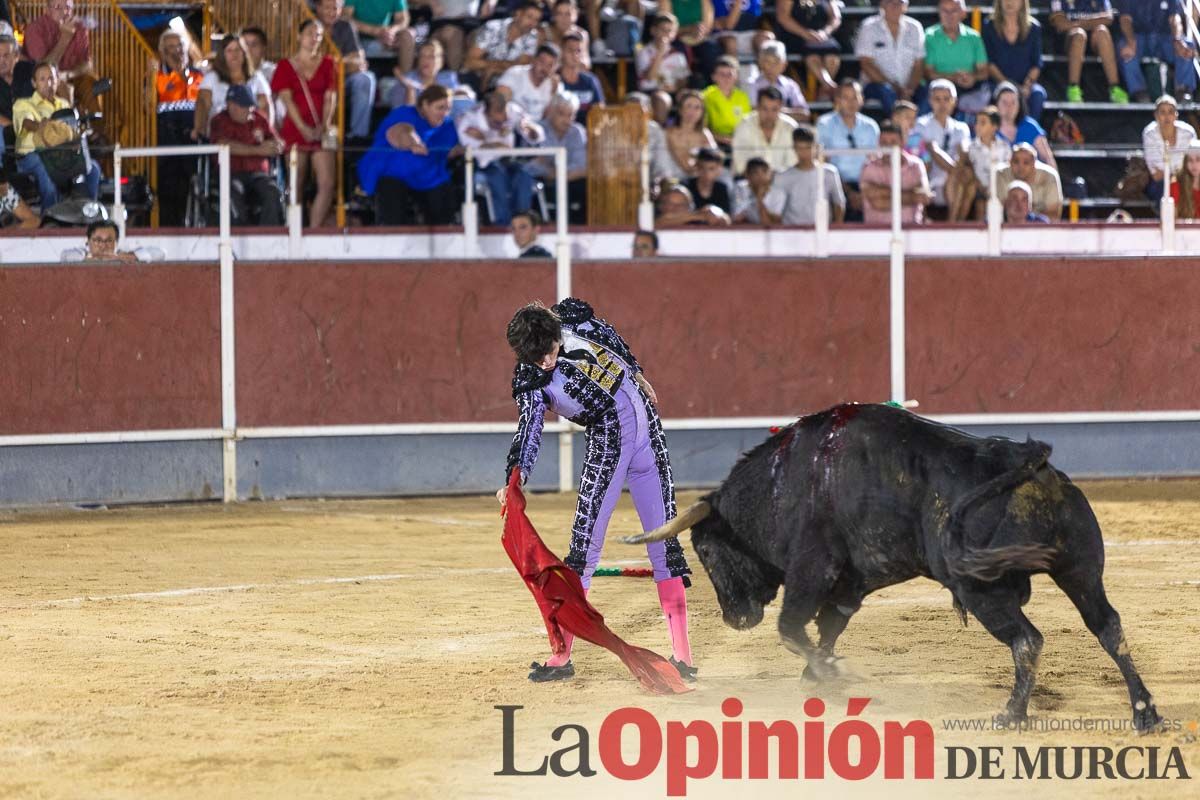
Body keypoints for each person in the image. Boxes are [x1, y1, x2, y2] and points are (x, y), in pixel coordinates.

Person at [500, 299, 696, 683]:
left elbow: (609, 334)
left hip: (644, 431)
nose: (546, 363)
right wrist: (515, 478)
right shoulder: (531, 380)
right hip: (611, 439)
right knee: (584, 548)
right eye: (537, 358)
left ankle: (683, 658)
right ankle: (562, 656)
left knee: (663, 542)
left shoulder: (571, 321)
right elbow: (529, 429)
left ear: (555, 334)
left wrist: (636, 372)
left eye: (549, 351)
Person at [358, 84, 461, 224]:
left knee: (443, 191)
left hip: (427, 175)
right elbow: (401, 131)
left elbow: (447, 151)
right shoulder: (404, 113)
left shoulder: (447, 125)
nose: (444, 113)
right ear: (425, 105)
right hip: (391, 172)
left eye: (448, 109)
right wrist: (413, 143)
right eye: (440, 108)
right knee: (391, 191)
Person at [272, 19, 338, 228]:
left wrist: (324, 125)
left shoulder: (328, 63)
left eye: (318, 34)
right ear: (299, 36)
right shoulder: (285, 65)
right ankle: (294, 228)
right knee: (296, 181)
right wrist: (303, 128)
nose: (314, 38)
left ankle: (314, 229)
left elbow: (330, 96)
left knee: (327, 183)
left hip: (322, 127)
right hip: (295, 127)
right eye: (310, 33)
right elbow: (286, 99)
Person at [12, 62, 100, 210]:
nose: (48, 84)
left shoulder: (63, 104)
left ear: (57, 81)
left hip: (63, 154)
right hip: (32, 155)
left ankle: (86, 212)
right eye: (42, 79)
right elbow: (27, 123)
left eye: (51, 79)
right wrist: (44, 127)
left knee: (93, 169)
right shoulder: (23, 104)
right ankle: (49, 217)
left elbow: (73, 130)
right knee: (48, 175)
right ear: (34, 83)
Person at [457, 90, 544, 225]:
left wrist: (531, 131)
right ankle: (502, 224)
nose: (503, 117)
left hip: (510, 161)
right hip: (485, 164)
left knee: (524, 176)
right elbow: (468, 148)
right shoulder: (469, 119)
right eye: (498, 111)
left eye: (504, 110)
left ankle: (522, 221)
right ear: (486, 111)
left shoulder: (513, 112)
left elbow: (535, 135)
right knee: (497, 177)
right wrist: (492, 143)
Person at [148, 29, 203, 227]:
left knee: (195, 188)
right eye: (170, 47)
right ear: (163, 52)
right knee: (169, 192)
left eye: (179, 45)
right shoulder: (157, 77)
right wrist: (150, 77)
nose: (176, 51)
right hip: (167, 143)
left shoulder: (200, 76)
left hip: (195, 142)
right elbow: (146, 107)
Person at [209, 84, 284, 226]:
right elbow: (224, 145)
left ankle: (269, 234)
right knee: (232, 192)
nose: (250, 110)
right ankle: (239, 233)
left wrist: (274, 146)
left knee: (272, 191)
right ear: (231, 106)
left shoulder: (259, 119)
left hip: (258, 173)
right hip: (230, 173)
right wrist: (258, 150)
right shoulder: (219, 121)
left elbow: (277, 141)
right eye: (245, 106)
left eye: (250, 106)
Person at [21, 0, 100, 122]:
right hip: (44, 80)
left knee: (90, 82)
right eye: (58, 7)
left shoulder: (79, 27)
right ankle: (69, 127)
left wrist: (68, 74)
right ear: (47, 9)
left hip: (72, 75)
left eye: (68, 7)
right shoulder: (35, 29)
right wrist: (65, 38)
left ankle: (96, 128)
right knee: (62, 87)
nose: (64, 12)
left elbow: (87, 64)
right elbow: (43, 67)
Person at [816, 78, 879, 221]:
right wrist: (849, 192)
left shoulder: (871, 126)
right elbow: (823, 161)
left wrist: (863, 191)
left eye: (855, 97)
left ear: (862, 99)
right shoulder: (824, 124)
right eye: (845, 97)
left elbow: (875, 160)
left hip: (866, 186)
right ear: (837, 100)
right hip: (835, 186)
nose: (851, 103)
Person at [316, 0, 378, 141]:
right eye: (327, 8)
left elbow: (359, 60)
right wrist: (344, 61)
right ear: (318, 8)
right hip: (317, 80)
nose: (332, 12)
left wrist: (334, 63)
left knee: (366, 78)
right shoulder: (310, 25)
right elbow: (313, 64)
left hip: (343, 78)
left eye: (336, 8)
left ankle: (358, 137)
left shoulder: (345, 25)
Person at [1116, 0, 1197, 104]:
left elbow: (1175, 18)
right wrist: (1130, 41)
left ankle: (1183, 90)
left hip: (1164, 38)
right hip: (1139, 38)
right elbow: (1125, 19)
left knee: (1187, 46)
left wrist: (1178, 40)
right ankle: (1139, 92)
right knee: (1125, 49)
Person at [854, 0, 926, 115]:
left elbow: (919, 64)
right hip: (876, 85)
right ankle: (899, 122)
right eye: (890, 2)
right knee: (886, 92)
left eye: (899, 3)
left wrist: (909, 89)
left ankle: (915, 123)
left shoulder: (915, 27)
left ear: (905, 6)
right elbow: (866, 64)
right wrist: (894, 87)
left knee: (929, 93)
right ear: (882, 4)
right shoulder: (869, 27)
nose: (894, 6)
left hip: (908, 86)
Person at [1049, 0, 1128, 103]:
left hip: (1093, 42)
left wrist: (1076, 23)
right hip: (1068, 41)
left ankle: (1115, 87)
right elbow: (1061, 24)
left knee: (1102, 32)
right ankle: (1073, 88)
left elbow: (1108, 18)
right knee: (1079, 35)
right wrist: (1090, 22)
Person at [195, 35, 273, 137]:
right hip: (220, 132)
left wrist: (265, 132)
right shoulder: (212, 77)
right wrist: (199, 130)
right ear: (223, 55)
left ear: (244, 53)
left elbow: (266, 107)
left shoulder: (256, 77)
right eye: (229, 51)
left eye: (238, 50)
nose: (234, 54)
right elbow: (202, 105)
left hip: (250, 133)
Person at [914, 78, 970, 216]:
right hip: (929, 175)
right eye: (937, 99)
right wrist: (955, 171)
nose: (942, 104)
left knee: (967, 177)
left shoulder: (961, 127)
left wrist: (956, 171)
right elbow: (932, 151)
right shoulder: (921, 124)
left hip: (953, 178)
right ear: (930, 101)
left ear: (954, 101)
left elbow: (963, 152)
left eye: (946, 99)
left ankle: (955, 222)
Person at [923, 0, 990, 114]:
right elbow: (928, 73)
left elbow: (983, 71)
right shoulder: (929, 36)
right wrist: (953, 78)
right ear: (939, 12)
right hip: (938, 90)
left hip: (969, 89)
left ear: (963, 13)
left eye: (953, 11)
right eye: (945, 11)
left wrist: (973, 78)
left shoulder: (974, 37)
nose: (949, 15)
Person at [983, 0, 1046, 121]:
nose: (1009, 2)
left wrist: (1027, 86)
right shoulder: (989, 25)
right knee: (988, 94)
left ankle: (1028, 130)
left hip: (1024, 84)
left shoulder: (1034, 27)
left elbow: (1036, 64)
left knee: (1038, 94)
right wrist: (1007, 86)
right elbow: (989, 62)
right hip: (997, 83)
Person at [859, 119, 931, 225]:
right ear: (879, 143)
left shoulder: (916, 165)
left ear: (902, 142)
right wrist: (912, 196)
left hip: (913, 229)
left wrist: (885, 194)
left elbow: (924, 196)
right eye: (884, 142)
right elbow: (879, 203)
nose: (888, 147)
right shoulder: (869, 167)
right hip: (876, 231)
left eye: (893, 142)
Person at [530, 92, 587, 223]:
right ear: (551, 111)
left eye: (570, 115)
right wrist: (551, 172)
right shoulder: (537, 130)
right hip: (543, 181)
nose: (566, 120)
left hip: (568, 180)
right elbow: (532, 165)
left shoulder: (577, 131)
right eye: (561, 114)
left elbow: (582, 166)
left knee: (586, 186)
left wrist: (557, 172)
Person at [947, 103, 1010, 221]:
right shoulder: (970, 148)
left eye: (983, 123)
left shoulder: (1004, 147)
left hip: (998, 189)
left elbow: (1007, 171)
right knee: (975, 196)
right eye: (977, 122)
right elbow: (969, 171)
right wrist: (980, 186)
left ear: (994, 127)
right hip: (978, 187)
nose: (977, 126)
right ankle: (955, 222)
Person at [777, 124, 845, 225]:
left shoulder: (830, 173)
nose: (804, 153)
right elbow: (776, 210)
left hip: (822, 230)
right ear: (794, 148)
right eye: (800, 148)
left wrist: (836, 229)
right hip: (792, 230)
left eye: (808, 148)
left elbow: (839, 203)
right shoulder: (783, 176)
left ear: (816, 147)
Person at [464, 0, 543, 87]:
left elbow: (521, 68)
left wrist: (494, 70)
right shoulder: (493, 28)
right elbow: (470, 62)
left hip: (508, 83)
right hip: (475, 77)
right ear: (518, 14)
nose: (532, 23)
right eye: (529, 17)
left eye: (536, 20)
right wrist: (497, 65)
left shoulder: (532, 36)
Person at [773, 0, 843, 98]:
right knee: (812, 56)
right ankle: (827, 86)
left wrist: (825, 32)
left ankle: (824, 91)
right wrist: (806, 34)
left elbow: (836, 17)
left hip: (822, 37)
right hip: (796, 36)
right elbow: (783, 17)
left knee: (832, 56)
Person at [731, 86, 799, 175]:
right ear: (757, 107)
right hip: (748, 179)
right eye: (765, 109)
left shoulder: (790, 127)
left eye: (774, 109)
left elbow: (793, 162)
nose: (769, 114)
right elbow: (740, 162)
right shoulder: (744, 125)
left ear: (781, 108)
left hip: (784, 179)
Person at [1143, 94, 1195, 203]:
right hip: (1161, 183)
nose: (1167, 116)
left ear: (1176, 115)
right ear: (1156, 115)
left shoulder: (1188, 133)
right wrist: (1176, 175)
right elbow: (1156, 175)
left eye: (1171, 112)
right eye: (1162, 112)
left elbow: (1193, 164)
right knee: (1165, 187)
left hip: (1187, 179)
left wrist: (1180, 175)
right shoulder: (1149, 134)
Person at [993, 81, 1055, 168]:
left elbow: (1048, 158)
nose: (1009, 107)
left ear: (1019, 104)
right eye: (1004, 102)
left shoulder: (1030, 126)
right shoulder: (989, 128)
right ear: (996, 104)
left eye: (1013, 102)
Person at [995, 141, 1063, 219]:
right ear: (1010, 162)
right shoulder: (1001, 174)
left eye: (1026, 162)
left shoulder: (1049, 176)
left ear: (1034, 163)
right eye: (1016, 161)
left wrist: (1030, 218)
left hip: (1039, 225)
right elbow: (997, 211)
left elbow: (1054, 214)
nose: (1020, 167)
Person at [746, 39, 810, 122]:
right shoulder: (752, 84)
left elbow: (804, 114)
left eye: (776, 62)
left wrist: (777, 112)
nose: (771, 66)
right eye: (767, 61)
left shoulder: (790, 85)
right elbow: (753, 113)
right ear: (760, 63)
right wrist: (781, 112)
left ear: (784, 64)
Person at [660, 89, 717, 180]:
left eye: (697, 107)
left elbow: (714, 160)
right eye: (688, 106)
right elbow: (687, 167)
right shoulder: (670, 133)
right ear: (680, 110)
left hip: (703, 177)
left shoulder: (705, 133)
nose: (692, 111)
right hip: (678, 177)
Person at [393, 39, 469, 108]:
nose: (425, 60)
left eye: (431, 56)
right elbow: (402, 114)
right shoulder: (407, 80)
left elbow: (458, 106)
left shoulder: (449, 77)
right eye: (422, 56)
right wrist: (410, 90)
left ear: (441, 61)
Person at [345, 0, 415, 72]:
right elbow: (346, 18)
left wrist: (391, 31)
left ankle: (405, 75)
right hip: (358, 35)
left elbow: (403, 19)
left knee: (408, 35)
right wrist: (375, 31)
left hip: (385, 34)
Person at [497, 43, 561, 121]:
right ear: (533, 60)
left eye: (550, 65)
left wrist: (554, 94)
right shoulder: (515, 74)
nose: (544, 68)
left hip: (537, 125)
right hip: (511, 122)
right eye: (542, 62)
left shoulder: (553, 84)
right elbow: (498, 106)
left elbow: (547, 118)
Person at [702, 55, 752, 147]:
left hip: (740, 141)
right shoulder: (706, 96)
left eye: (730, 74)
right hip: (714, 142)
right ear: (714, 77)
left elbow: (748, 124)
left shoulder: (743, 97)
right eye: (722, 74)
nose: (726, 78)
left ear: (736, 76)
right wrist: (721, 138)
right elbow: (702, 127)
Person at [636, 13, 690, 93]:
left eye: (670, 31)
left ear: (674, 34)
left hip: (672, 92)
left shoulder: (678, 55)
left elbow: (683, 81)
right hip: (650, 91)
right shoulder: (643, 52)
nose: (666, 33)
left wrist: (675, 87)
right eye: (662, 29)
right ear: (653, 30)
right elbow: (650, 77)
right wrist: (660, 52)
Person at [557, 32, 604, 124]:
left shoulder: (590, 80)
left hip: (587, 130)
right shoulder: (554, 80)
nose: (575, 55)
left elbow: (599, 111)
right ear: (561, 52)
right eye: (570, 50)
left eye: (578, 51)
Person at [0, 35, 33, 159]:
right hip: (8, 130)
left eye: (6, 56)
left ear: (16, 56)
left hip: (36, 127)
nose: (1, 61)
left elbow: (58, 82)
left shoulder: (29, 70)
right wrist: (15, 129)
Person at [732, 156, 786, 224]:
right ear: (747, 175)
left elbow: (769, 222)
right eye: (755, 172)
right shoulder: (740, 189)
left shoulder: (779, 193)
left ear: (771, 174)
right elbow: (737, 219)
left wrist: (760, 200)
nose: (761, 176)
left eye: (764, 171)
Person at [656, 181, 731, 225]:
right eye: (670, 204)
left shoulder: (697, 222)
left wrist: (714, 213)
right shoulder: (655, 221)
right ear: (661, 206)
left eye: (680, 205)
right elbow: (660, 222)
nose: (675, 208)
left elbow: (725, 220)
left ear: (689, 207)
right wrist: (698, 216)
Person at [544, 0, 592, 68]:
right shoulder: (543, 32)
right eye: (559, 13)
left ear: (576, 14)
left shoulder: (581, 34)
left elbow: (585, 64)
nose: (563, 18)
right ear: (554, 15)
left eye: (568, 14)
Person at [684, 147, 732, 213]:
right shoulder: (686, 187)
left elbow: (726, 215)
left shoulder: (722, 189)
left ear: (719, 170)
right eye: (702, 168)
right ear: (696, 167)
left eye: (711, 169)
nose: (706, 173)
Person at [1170, 143, 1200, 219]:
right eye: (1190, 160)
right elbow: (1172, 218)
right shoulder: (1176, 185)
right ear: (1185, 163)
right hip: (1185, 226)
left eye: (1198, 160)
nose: (1194, 164)